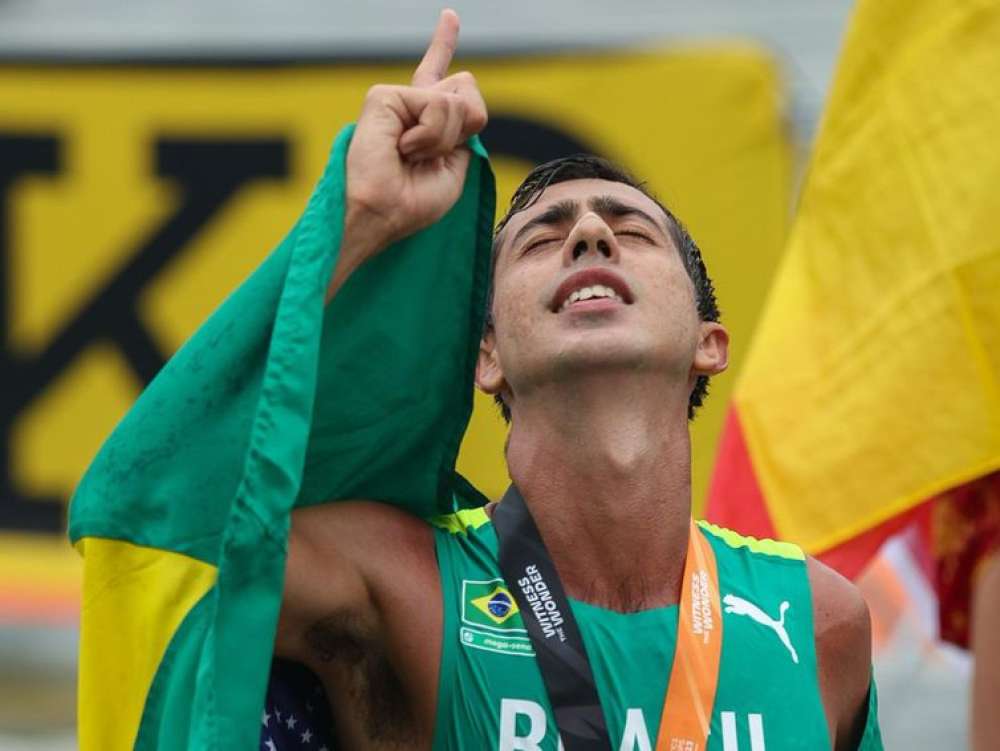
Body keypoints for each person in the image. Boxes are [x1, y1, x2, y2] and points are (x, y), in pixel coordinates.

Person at [265, 10, 881, 751]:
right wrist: (356, 221)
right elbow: (172, 541)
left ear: (708, 343)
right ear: (484, 357)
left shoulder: (818, 620)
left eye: (633, 230)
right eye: (542, 239)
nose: (591, 233)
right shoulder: (398, 586)